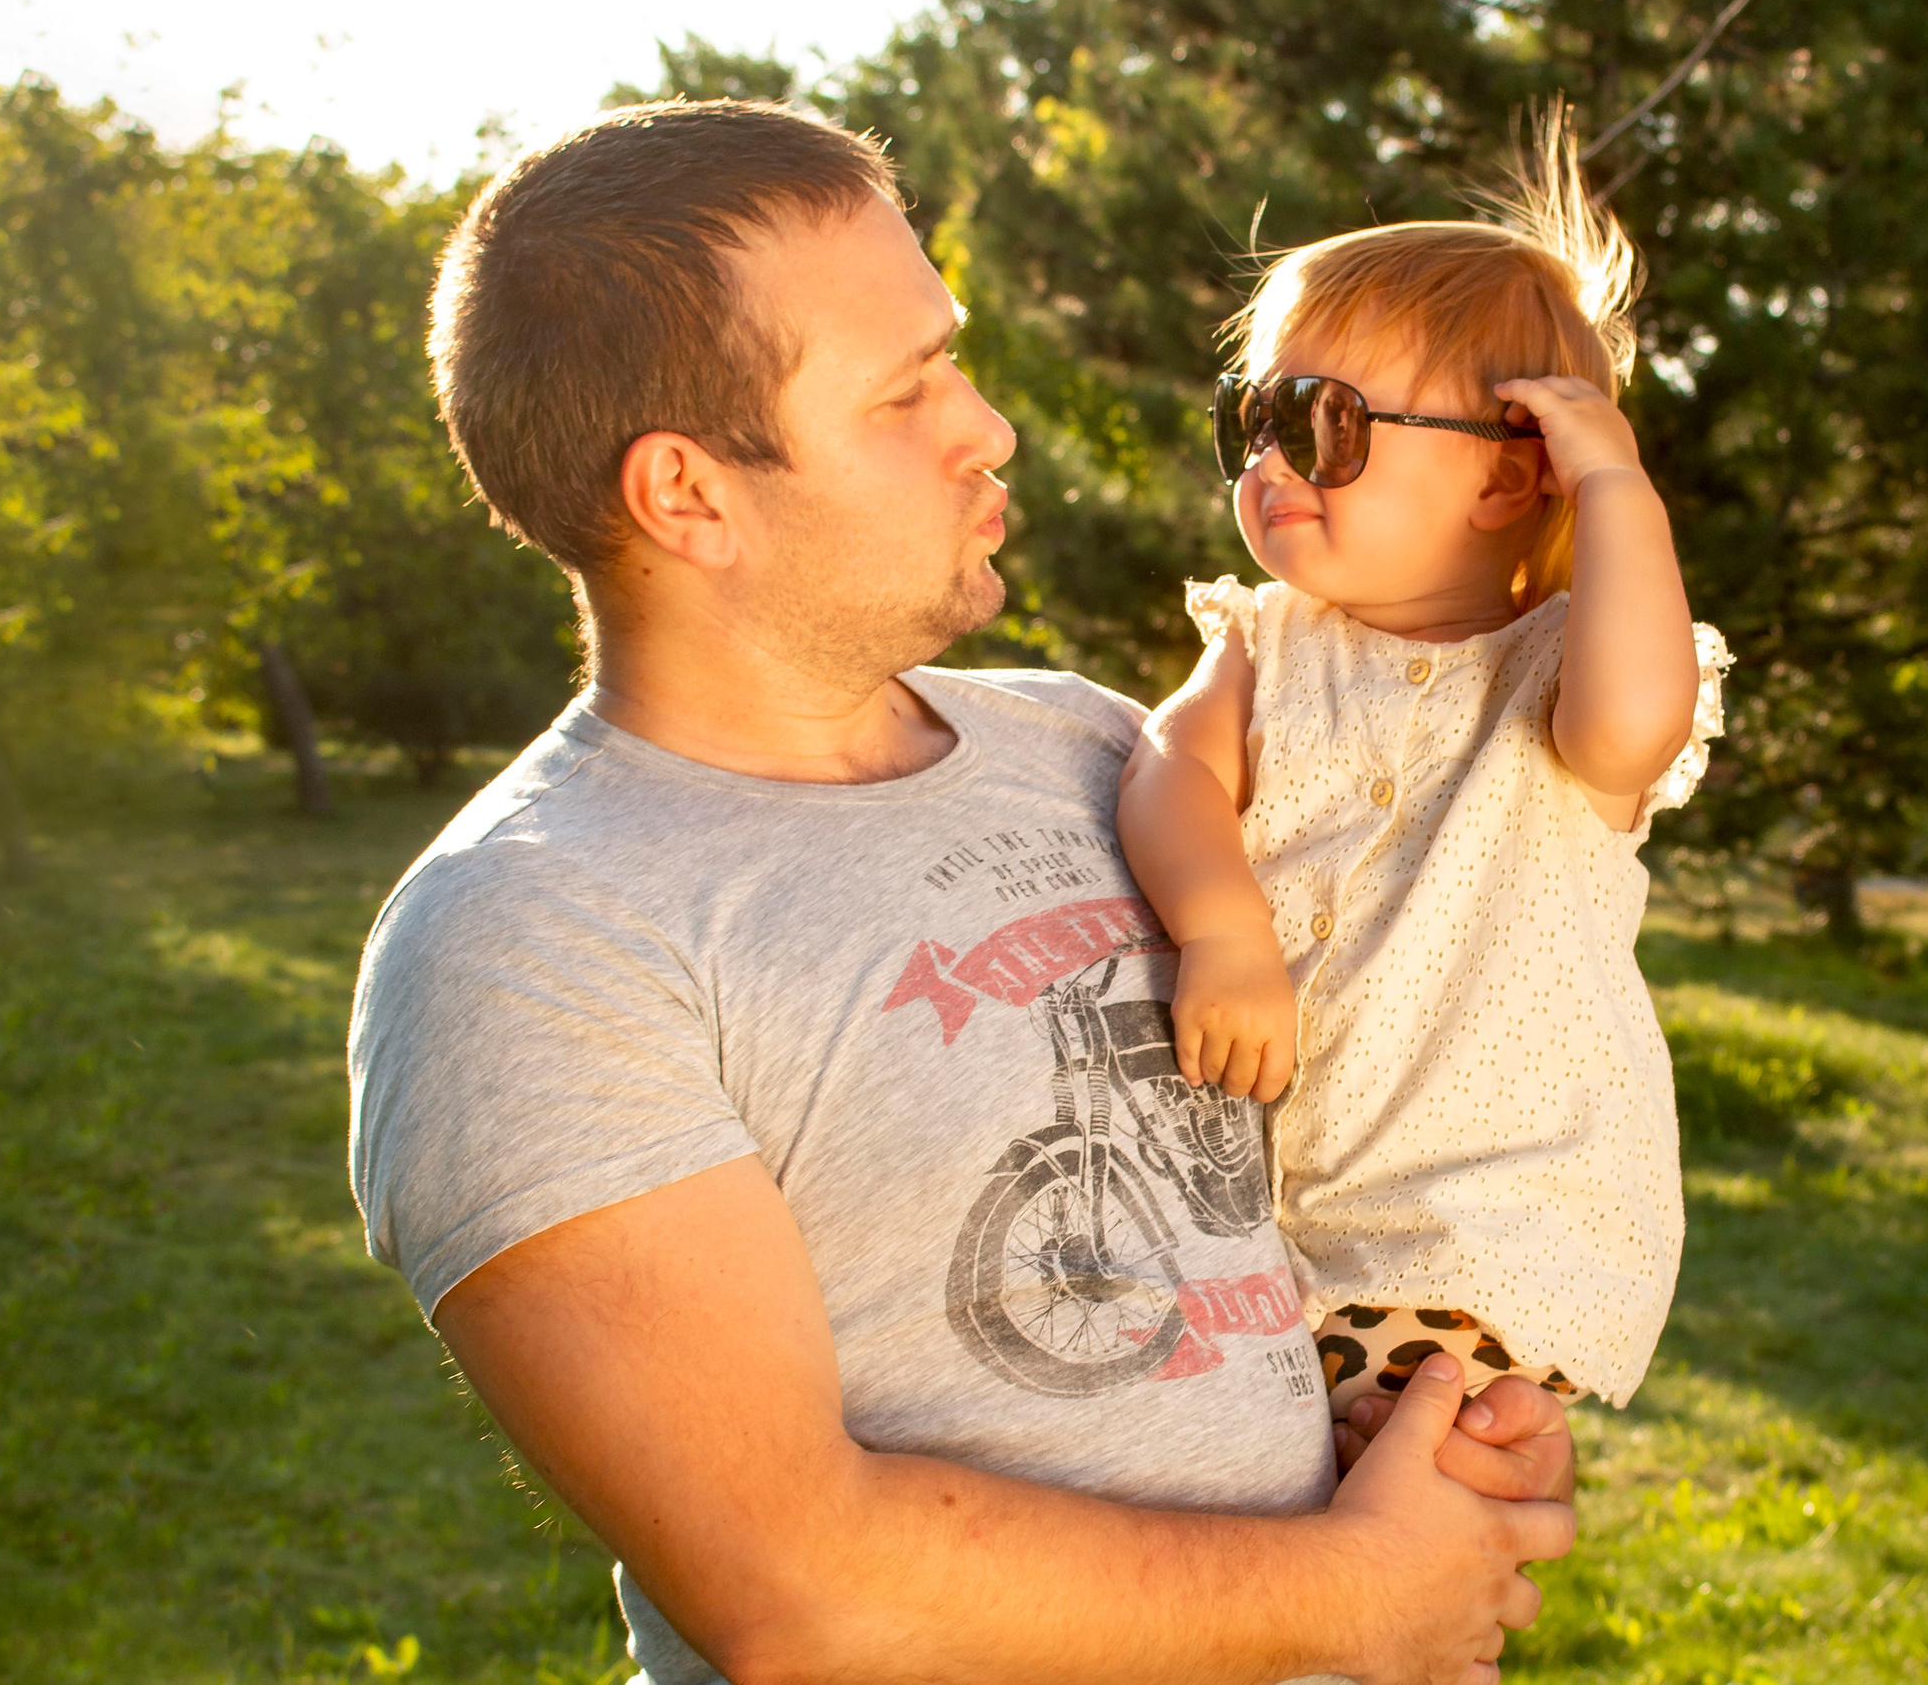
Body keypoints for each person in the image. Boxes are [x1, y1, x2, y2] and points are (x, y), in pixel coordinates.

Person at [346, 98, 1576, 1685]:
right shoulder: (524, 940)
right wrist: (1357, 1588)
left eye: (958, 358)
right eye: (907, 387)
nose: (986, 425)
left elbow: (1292, 1198)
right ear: (688, 494)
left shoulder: (1099, 749)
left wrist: (1432, 1419)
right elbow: (799, 1592)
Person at [1116, 110, 1728, 1424]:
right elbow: (1171, 767)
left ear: (1507, 481)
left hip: (1491, 1221)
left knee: (1391, 1453)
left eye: (1324, 423)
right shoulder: (1266, 643)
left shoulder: (1564, 667)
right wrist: (1221, 927)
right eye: (1252, 420)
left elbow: (1633, 729)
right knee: (1248, 1468)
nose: (1271, 460)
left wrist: (1616, 492)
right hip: (1266, 1206)